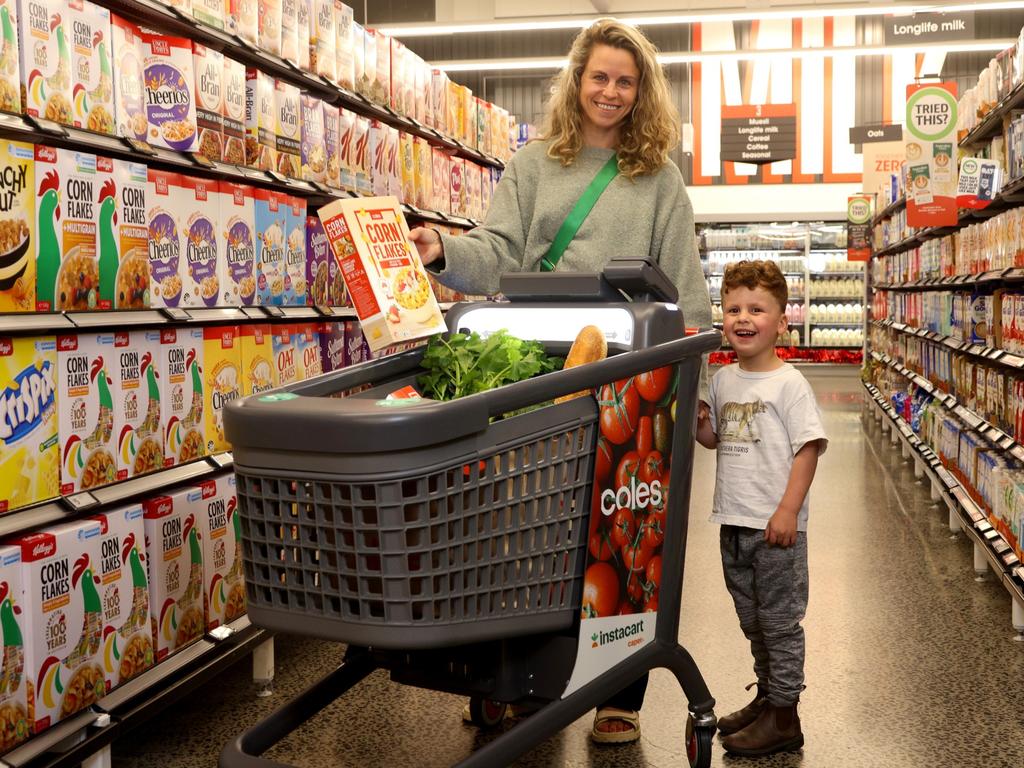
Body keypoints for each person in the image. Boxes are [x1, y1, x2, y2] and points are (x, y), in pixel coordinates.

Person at [409, 17, 712, 745]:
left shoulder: (660, 180)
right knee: (524, 524)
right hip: (539, 365)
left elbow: (691, 292)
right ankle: (519, 678)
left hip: (630, 376)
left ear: (643, 94)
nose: (611, 92)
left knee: (620, 531)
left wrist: (693, 389)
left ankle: (619, 693)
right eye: (600, 76)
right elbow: (496, 248)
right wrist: (440, 248)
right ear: (577, 81)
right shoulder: (534, 164)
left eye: (626, 81)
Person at [695, 260, 827, 756]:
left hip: (775, 529)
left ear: (782, 322)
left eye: (756, 308)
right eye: (733, 308)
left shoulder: (789, 384)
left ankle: (786, 717)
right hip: (733, 521)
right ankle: (768, 696)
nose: (742, 318)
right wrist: (695, 417)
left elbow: (808, 448)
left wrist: (788, 510)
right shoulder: (724, 380)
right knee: (752, 620)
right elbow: (713, 439)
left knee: (779, 623)